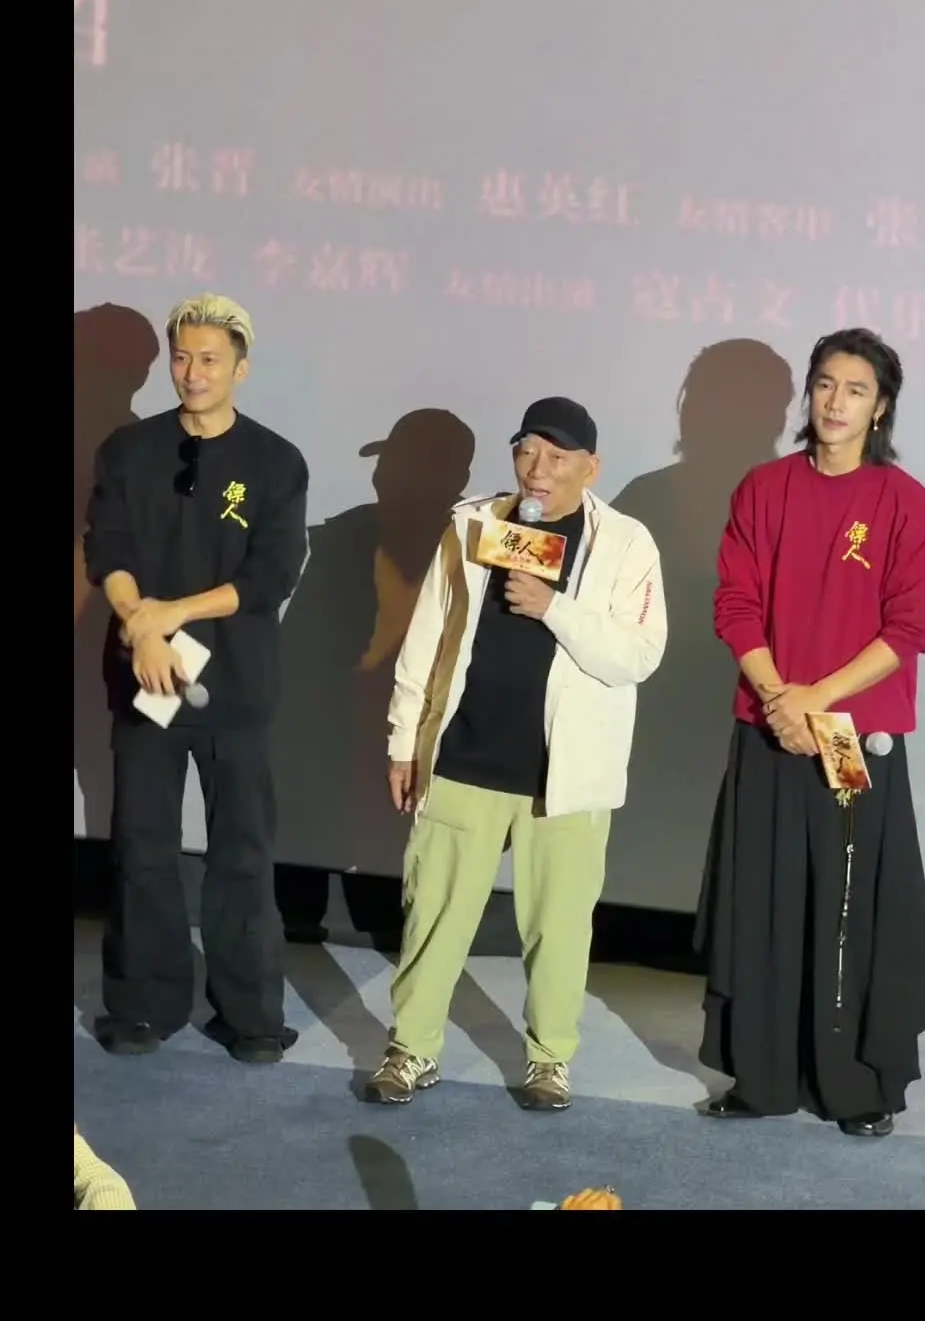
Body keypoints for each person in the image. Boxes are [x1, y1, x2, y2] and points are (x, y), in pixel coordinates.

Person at [365, 397, 666, 1112]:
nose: (539, 469)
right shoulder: (474, 525)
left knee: (559, 928)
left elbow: (638, 654)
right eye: (528, 451)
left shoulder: (626, 544)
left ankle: (549, 1060)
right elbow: (429, 635)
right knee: (433, 913)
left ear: (590, 468)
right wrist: (405, 739)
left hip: (565, 774)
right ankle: (411, 1049)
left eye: (558, 458)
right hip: (465, 754)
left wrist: (552, 605)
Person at [694, 328, 925, 1138]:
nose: (836, 402)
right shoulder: (764, 488)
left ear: (881, 408)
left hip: (849, 734)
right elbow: (735, 604)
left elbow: (907, 629)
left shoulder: (904, 503)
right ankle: (761, 1076)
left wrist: (816, 701)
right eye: (827, 384)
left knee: (847, 907)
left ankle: (854, 1084)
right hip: (769, 726)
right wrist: (780, 699)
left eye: (856, 390)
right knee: (763, 899)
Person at [83, 293, 309, 1063]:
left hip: (235, 686)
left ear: (240, 368)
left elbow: (272, 574)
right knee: (142, 846)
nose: (193, 372)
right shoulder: (129, 450)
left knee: (241, 854)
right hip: (145, 678)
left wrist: (170, 613)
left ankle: (252, 1016)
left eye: (209, 359)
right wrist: (139, 624)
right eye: (182, 357)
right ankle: (142, 1006)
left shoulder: (276, 462)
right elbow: (107, 547)